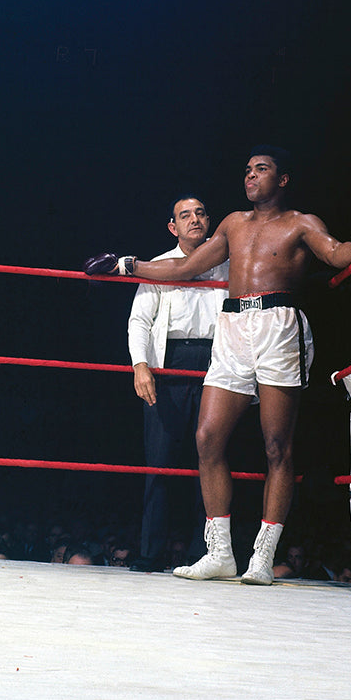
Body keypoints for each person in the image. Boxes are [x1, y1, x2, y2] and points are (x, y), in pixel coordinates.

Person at [85, 146, 351, 585]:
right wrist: (128, 266)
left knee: (277, 444)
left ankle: (263, 555)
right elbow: (186, 267)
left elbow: (336, 254)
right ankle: (220, 553)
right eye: (247, 170)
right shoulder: (233, 224)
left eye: (262, 169)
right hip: (233, 326)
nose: (251, 176)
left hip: (279, 325)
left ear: (282, 179)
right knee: (207, 436)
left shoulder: (301, 222)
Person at [126, 194, 229, 571]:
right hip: (167, 365)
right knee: (160, 462)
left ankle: (207, 554)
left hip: (217, 363)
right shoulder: (157, 266)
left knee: (213, 460)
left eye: (201, 212)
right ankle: (150, 553)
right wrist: (140, 365)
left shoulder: (227, 266)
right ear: (173, 226)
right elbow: (140, 320)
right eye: (185, 215)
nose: (194, 219)